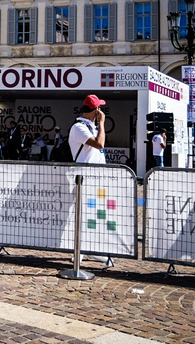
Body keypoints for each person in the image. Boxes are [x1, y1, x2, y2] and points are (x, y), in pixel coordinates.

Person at [68, 94, 111, 266]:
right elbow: (100, 144)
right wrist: (102, 123)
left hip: (97, 178)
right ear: (94, 110)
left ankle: (93, 250)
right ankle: (78, 252)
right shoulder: (79, 127)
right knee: (82, 216)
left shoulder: (90, 126)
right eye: (98, 108)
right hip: (84, 177)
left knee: (96, 215)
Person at [69, 95, 106, 164]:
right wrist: (101, 122)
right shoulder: (78, 127)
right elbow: (100, 145)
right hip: (85, 172)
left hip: (98, 172)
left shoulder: (92, 127)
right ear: (97, 109)